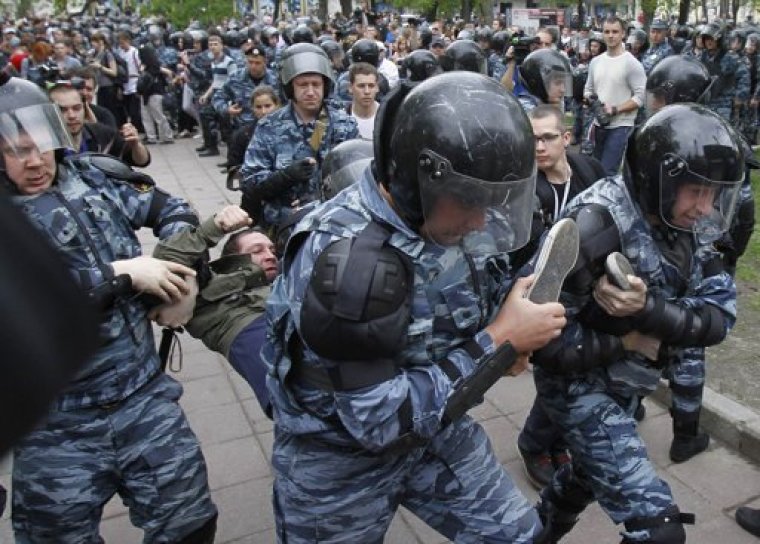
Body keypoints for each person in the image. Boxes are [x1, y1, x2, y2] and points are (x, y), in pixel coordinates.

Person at [264, 72, 567, 543]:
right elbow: (378, 421)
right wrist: (501, 343)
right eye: (471, 201)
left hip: (436, 432)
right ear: (415, 179)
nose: (482, 219)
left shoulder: (449, 214)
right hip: (340, 459)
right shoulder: (350, 264)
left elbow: (488, 280)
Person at [1, 76, 217, 542]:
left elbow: (172, 210)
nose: (35, 160)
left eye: (40, 144)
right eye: (17, 151)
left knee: (190, 522)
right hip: (58, 425)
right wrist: (120, 274)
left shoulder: (95, 177)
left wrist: (177, 273)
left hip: (141, 396)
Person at [532, 103, 743, 543]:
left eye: (713, 194)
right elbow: (539, 344)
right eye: (696, 191)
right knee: (659, 531)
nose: (705, 208)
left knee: (586, 478)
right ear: (659, 178)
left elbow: (718, 319)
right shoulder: (590, 226)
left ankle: (537, 532)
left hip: (629, 385)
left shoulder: (690, 224)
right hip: (579, 390)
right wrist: (628, 340)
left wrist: (646, 313)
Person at [512, 105, 606, 489]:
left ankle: (557, 439)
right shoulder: (523, 188)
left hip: (590, 290)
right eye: (532, 138)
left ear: (566, 138)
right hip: (545, 296)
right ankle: (535, 443)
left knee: (582, 370)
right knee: (559, 372)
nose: (539, 146)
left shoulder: (589, 172)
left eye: (548, 137)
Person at [151, 205, 276, 415]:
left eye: (272, 249)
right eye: (257, 250)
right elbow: (166, 260)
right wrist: (213, 227)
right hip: (249, 331)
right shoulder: (205, 287)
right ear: (233, 260)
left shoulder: (287, 277)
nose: (270, 255)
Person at [241, 43, 358, 230]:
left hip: (335, 222)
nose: (310, 92)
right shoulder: (269, 127)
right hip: (284, 225)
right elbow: (249, 182)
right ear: (289, 88)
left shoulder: (344, 124)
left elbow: (359, 178)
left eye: (316, 84)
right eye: (303, 85)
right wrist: (284, 177)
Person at [583, 16, 646, 176]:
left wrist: (615, 109)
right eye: (607, 32)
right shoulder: (595, 62)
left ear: (623, 34)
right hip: (598, 125)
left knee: (607, 172)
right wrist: (590, 100)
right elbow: (588, 89)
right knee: (594, 171)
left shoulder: (631, 63)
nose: (611, 35)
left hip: (621, 126)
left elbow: (640, 97)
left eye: (615, 32)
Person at [48, 81, 151, 167]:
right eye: (62, 110)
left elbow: (142, 161)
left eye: (77, 108)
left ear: (85, 108)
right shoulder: (44, 146)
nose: (71, 115)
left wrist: (136, 144)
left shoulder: (101, 134)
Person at [137, 44, 175, 145]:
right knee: (150, 116)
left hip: (152, 93)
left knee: (155, 116)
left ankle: (163, 137)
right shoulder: (155, 65)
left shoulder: (152, 66)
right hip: (151, 93)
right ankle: (157, 137)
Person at [116, 31, 143, 133]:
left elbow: (139, 67)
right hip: (125, 84)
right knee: (127, 109)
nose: (121, 45)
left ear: (128, 41)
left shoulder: (134, 52)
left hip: (134, 82)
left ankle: (137, 128)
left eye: (122, 43)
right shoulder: (121, 53)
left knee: (134, 110)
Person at [346, 61, 379, 139]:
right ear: (350, 88)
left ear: (377, 88)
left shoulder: (387, 117)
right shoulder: (341, 118)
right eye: (361, 86)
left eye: (371, 86)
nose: (367, 91)